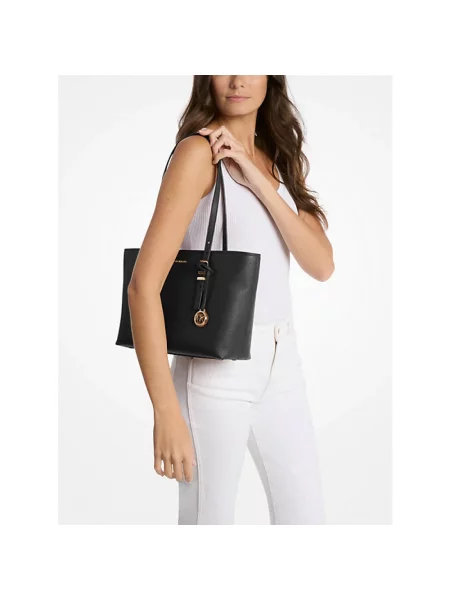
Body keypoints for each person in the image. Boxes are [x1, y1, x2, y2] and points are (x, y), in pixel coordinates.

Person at [128, 75, 334, 525]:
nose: (238, 80)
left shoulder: (277, 157)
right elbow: (143, 286)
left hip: (282, 362)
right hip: (214, 371)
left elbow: (321, 264)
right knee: (209, 524)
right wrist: (165, 410)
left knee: (306, 519)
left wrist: (256, 176)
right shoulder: (196, 154)